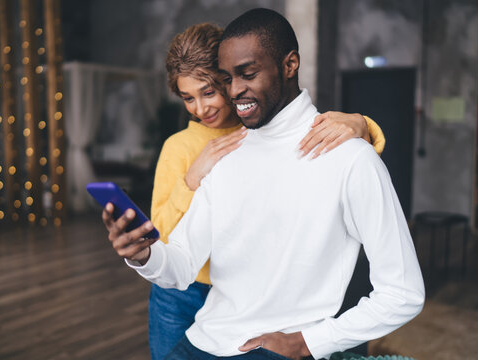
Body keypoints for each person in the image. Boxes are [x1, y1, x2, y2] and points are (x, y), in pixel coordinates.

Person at [104, 10, 422, 359]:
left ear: (290, 65)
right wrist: (144, 254)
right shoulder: (223, 156)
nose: (235, 90)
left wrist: (308, 342)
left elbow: (402, 293)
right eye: (226, 78)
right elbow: (181, 264)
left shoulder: (351, 158)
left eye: (248, 73)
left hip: (275, 349)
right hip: (199, 340)